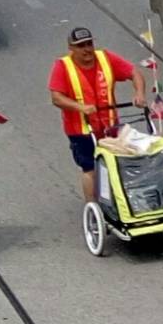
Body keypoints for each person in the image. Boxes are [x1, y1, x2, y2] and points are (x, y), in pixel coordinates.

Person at [48, 27, 146, 201]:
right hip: (81, 129)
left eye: (89, 44)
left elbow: (134, 72)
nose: (87, 49)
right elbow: (57, 98)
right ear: (71, 48)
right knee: (90, 168)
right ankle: (93, 206)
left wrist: (139, 93)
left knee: (116, 162)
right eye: (81, 46)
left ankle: (118, 202)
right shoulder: (63, 66)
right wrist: (80, 107)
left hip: (109, 125)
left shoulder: (105, 58)